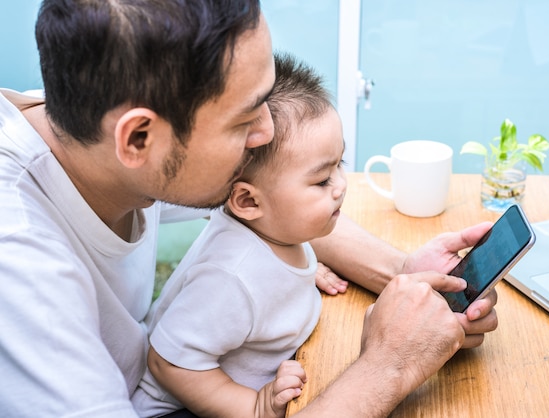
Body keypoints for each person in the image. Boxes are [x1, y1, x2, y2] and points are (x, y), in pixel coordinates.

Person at [0, 1, 497, 417]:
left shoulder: (98, 128)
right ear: (139, 138)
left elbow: (276, 203)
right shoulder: (20, 265)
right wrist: (390, 366)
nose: (266, 134)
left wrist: (401, 274)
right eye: (244, 120)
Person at [131, 52, 348, 418]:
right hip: (180, 407)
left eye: (340, 164)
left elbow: (271, 280)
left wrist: (302, 276)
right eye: (322, 179)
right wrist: (254, 407)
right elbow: (168, 363)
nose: (341, 186)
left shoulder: (277, 231)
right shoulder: (230, 278)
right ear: (248, 201)